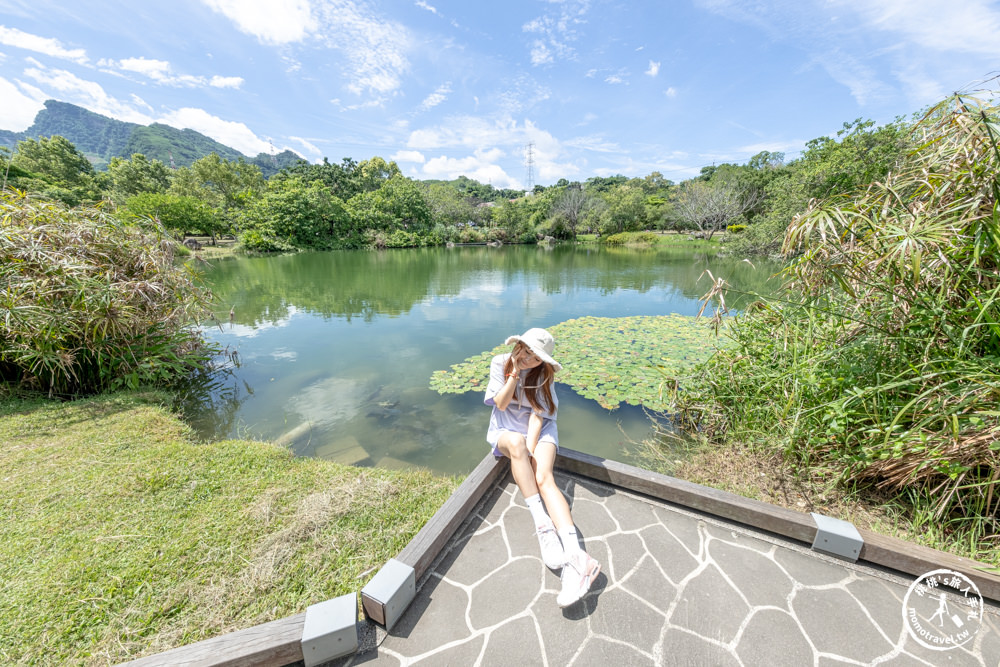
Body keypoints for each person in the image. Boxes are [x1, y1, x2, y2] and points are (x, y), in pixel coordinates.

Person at [484, 327, 601, 607]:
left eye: (535, 357)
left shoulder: (545, 376)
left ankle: (577, 557)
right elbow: (500, 404)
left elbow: (537, 419)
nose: (527, 358)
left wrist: (533, 450)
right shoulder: (500, 363)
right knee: (515, 443)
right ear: (518, 345)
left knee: (544, 477)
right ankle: (544, 526)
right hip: (505, 429)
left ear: (542, 361)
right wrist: (513, 371)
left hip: (540, 429)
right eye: (525, 350)